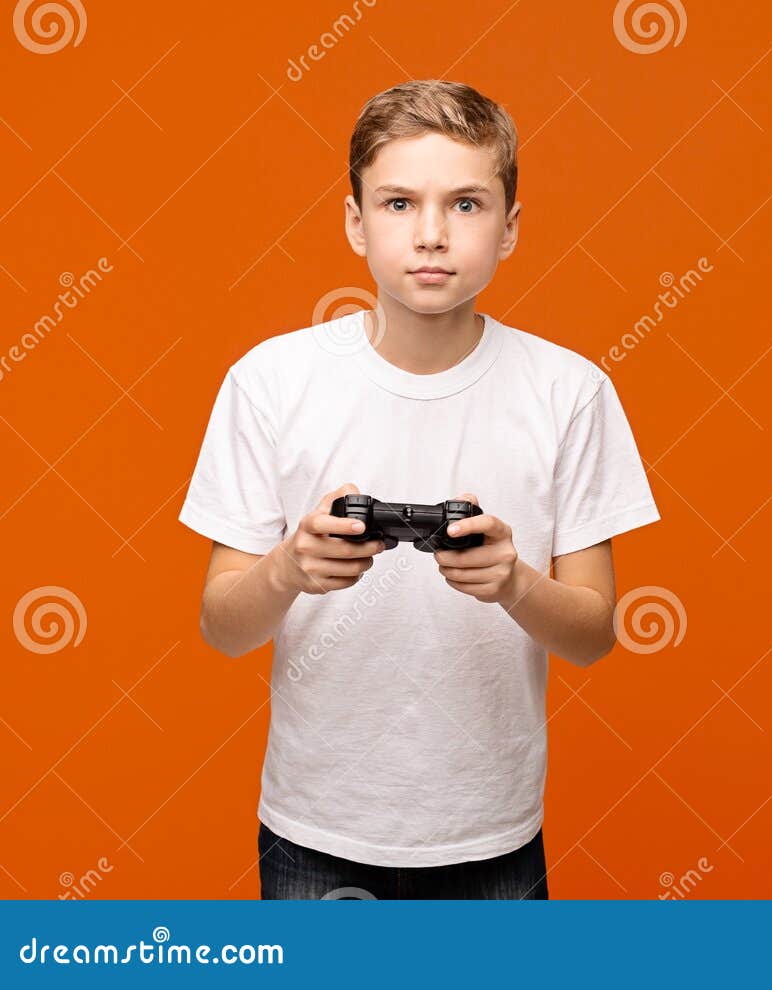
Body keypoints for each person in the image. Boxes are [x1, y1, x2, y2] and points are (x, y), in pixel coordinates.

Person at [179, 80, 660, 899]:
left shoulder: (568, 391)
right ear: (355, 223)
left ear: (510, 229)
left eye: (467, 204)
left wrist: (513, 584)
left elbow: (592, 635)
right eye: (399, 203)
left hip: (491, 828)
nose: (432, 235)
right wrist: (288, 569)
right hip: (316, 825)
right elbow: (222, 627)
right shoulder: (270, 382)